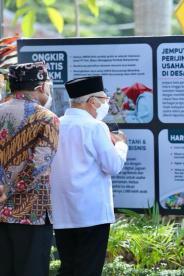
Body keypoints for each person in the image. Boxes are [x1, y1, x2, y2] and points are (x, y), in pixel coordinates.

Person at [50, 76, 128, 275]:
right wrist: (120, 145)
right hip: (92, 215)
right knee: (88, 269)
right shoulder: (96, 127)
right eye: (104, 99)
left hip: (63, 213)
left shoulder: (56, 124)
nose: (105, 103)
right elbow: (113, 165)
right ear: (92, 101)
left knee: (68, 267)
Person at [0, 61, 59, 276]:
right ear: (40, 87)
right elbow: (38, 165)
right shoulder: (46, 118)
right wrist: (8, 190)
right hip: (32, 214)